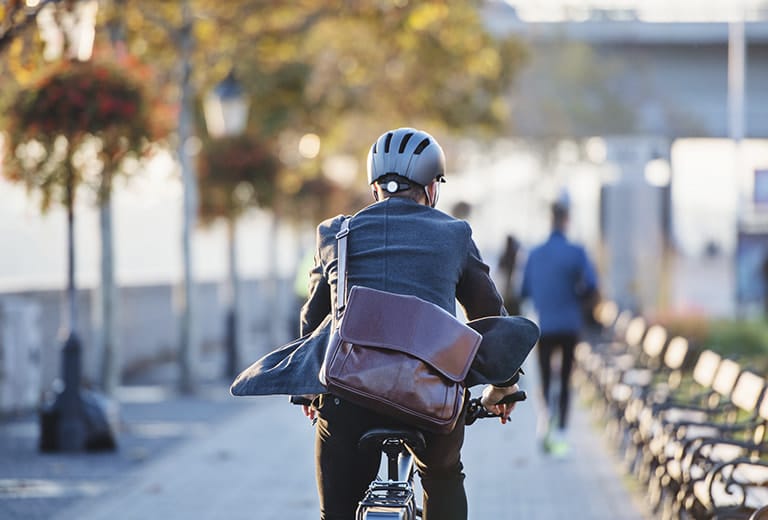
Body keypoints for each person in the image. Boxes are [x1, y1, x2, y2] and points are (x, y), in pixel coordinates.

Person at [230, 127, 539, 520]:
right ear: (432, 189)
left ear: (375, 188)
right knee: (443, 476)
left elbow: (313, 322)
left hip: (348, 397)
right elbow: (489, 316)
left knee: (337, 513)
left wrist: (310, 391)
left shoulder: (335, 233)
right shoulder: (454, 234)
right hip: (432, 395)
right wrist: (503, 386)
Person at [520, 194, 598, 457]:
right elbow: (591, 286)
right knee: (565, 378)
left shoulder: (534, 254)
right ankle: (562, 431)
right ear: (567, 221)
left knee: (543, 378)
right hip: (569, 324)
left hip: (544, 325)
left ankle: (545, 422)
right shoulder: (577, 252)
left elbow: (525, 290)